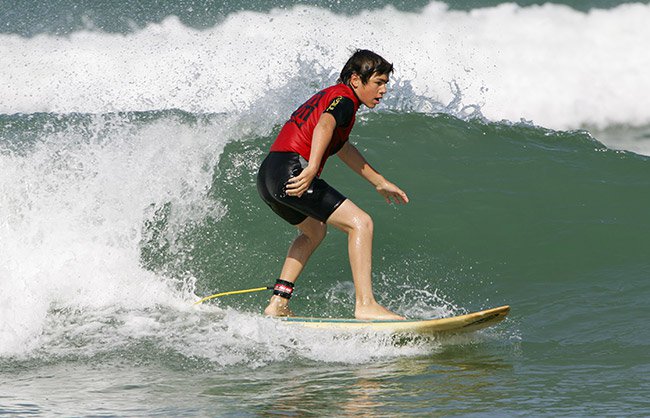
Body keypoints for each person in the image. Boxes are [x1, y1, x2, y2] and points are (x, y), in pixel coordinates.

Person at [257, 49, 409, 320]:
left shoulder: (331, 96)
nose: (383, 90)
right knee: (361, 223)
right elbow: (325, 125)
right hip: (294, 169)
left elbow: (341, 146)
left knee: (314, 231)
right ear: (355, 80)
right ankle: (366, 305)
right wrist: (312, 167)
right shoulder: (344, 99)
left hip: (270, 173)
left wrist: (379, 181)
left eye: (386, 83)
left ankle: (278, 302)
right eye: (378, 82)